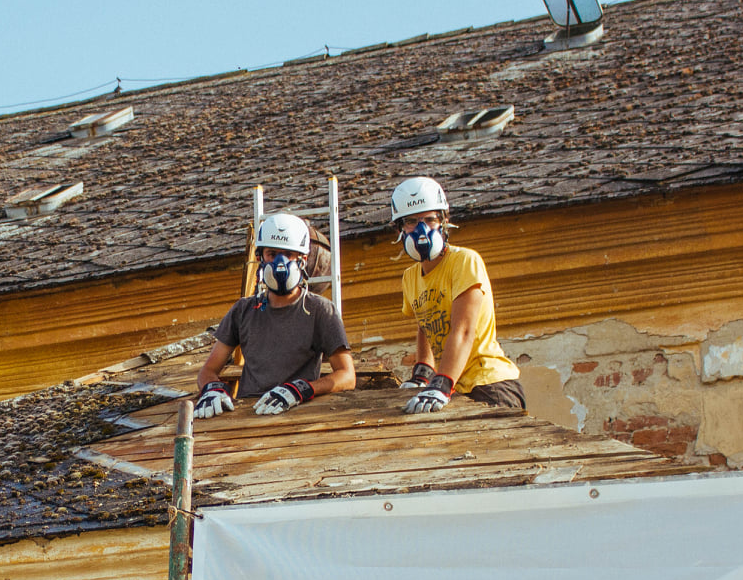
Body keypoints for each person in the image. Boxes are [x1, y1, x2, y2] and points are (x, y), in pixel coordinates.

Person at [194, 213, 355, 419]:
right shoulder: (243, 310)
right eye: (272, 254)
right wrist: (212, 388)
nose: (280, 263)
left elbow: (347, 376)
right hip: (248, 414)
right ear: (260, 258)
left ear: (303, 260)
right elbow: (208, 369)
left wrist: (300, 390)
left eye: (288, 254)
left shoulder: (319, 310)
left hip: (297, 415)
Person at [388, 176, 524, 413]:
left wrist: (442, 383)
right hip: (454, 386)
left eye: (430, 219)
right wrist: (423, 371)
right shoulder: (410, 277)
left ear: (444, 222)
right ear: (400, 228)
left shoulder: (465, 261)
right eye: (411, 222)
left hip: (488, 384)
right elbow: (425, 324)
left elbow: (463, 330)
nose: (421, 230)